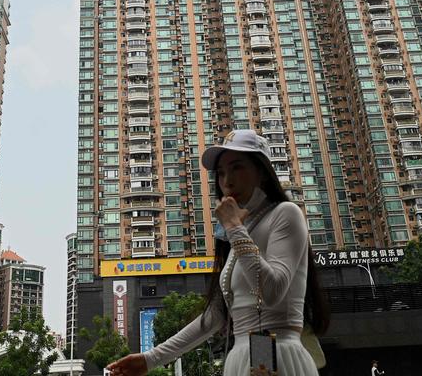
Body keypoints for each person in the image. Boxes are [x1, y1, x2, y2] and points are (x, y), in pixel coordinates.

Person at [107, 129, 330, 376]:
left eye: (237, 168)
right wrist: (150, 359)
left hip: (276, 349)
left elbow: (272, 291)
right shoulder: (242, 231)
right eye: (221, 173)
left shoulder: (285, 213)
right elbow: (215, 315)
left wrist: (234, 228)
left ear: (262, 171)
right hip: (245, 355)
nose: (227, 181)